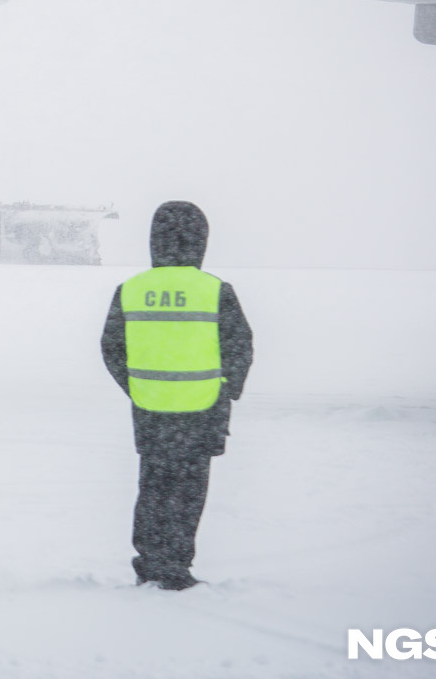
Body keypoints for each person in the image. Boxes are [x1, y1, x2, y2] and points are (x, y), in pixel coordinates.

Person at [100, 200, 252, 590]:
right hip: (201, 414)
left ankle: (149, 564)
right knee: (186, 494)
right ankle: (175, 567)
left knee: (153, 488)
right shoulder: (216, 290)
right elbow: (240, 345)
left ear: (155, 241)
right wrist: (228, 390)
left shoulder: (131, 290)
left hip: (151, 412)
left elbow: (111, 348)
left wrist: (137, 387)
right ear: (200, 241)